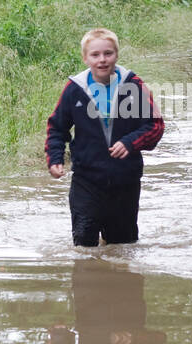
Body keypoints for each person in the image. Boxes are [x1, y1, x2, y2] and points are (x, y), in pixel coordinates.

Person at [46, 29, 165, 246]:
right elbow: (56, 127)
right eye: (95, 55)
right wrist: (55, 159)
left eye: (108, 53)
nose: (102, 60)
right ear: (85, 58)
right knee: (83, 245)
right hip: (86, 179)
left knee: (123, 246)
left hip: (125, 182)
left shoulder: (134, 85)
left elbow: (155, 126)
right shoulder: (74, 89)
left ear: (117, 55)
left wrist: (130, 142)